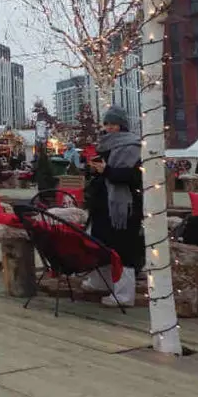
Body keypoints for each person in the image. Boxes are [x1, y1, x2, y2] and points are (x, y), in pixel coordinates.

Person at [83, 106, 142, 307]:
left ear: (122, 125)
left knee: (123, 249)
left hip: (124, 208)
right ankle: (100, 283)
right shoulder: (104, 146)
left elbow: (134, 177)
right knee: (100, 244)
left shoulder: (133, 146)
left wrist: (107, 170)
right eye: (107, 123)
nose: (109, 128)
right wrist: (93, 171)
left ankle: (124, 295)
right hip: (103, 204)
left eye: (113, 124)